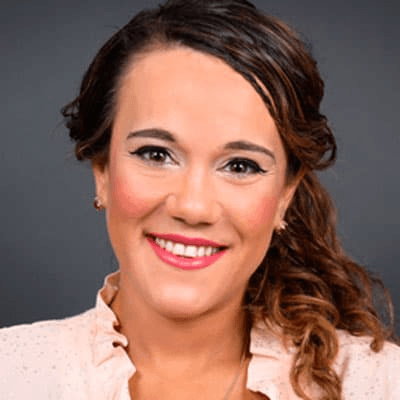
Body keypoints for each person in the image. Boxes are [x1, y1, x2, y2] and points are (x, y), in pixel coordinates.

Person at [1, 0, 399, 399]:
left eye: (241, 166)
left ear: (284, 195)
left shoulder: (381, 384)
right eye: (156, 154)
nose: (192, 207)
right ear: (102, 172)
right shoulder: (13, 373)